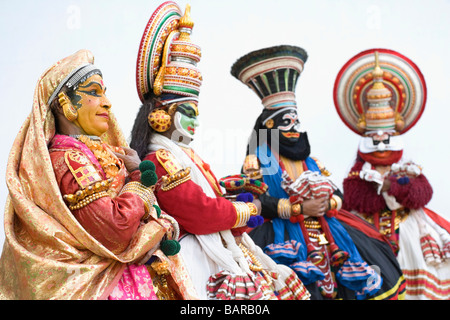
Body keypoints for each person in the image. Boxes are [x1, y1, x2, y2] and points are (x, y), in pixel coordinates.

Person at [130, 1, 310, 300]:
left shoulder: (185, 156)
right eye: (188, 111)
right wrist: (250, 208)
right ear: (161, 115)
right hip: (200, 251)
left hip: (229, 237)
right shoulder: (161, 159)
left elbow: (210, 196)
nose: (196, 121)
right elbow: (199, 212)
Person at [0, 49, 197, 300]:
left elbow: (146, 213)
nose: (107, 102)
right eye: (94, 92)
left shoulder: (102, 152)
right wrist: (139, 181)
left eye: (104, 92)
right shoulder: (71, 158)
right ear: (65, 104)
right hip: (107, 286)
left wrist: (157, 223)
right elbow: (117, 229)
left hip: (132, 275)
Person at [231, 45, 406, 300]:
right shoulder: (263, 160)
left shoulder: (311, 161)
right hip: (282, 234)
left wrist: (326, 202)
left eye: (296, 122)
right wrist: (298, 208)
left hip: (328, 228)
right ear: (269, 126)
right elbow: (255, 201)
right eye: (286, 122)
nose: (293, 128)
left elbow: (338, 193)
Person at [334, 48, 450, 300]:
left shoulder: (407, 168)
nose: (380, 141)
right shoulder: (359, 173)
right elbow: (355, 198)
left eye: (385, 136)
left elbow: (423, 193)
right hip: (366, 227)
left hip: (408, 228)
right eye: (374, 137)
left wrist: (396, 187)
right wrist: (387, 188)